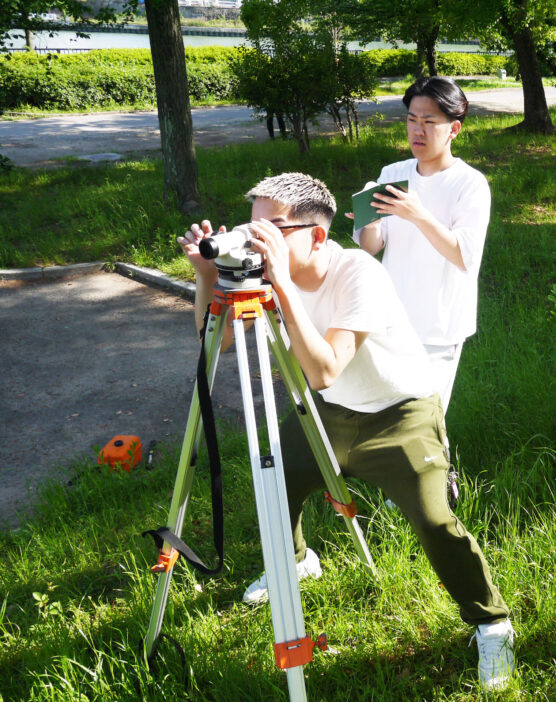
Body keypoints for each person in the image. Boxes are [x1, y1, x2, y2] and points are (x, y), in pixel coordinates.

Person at [176, 172, 515, 690]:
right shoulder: (266, 272)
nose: (257, 239)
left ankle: (492, 623)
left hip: (400, 413)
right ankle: (296, 561)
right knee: (276, 480)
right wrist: (206, 276)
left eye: (271, 229)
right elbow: (213, 345)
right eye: (253, 227)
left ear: (315, 235)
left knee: (432, 521)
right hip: (329, 411)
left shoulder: (358, 273)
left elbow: (325, 368)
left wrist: (282, 285)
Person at [351, 77, 490, 413]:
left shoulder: (469, 184)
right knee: (386, 414)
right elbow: (371, 247)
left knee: (424, 419)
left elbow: (463, 255)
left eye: (429, 122)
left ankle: (438, 468)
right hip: (389, 320)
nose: (418, 131)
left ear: (454, 129)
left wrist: (417, 214)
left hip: (438, 327)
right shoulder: (393, 173)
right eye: (412, 120)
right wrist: (367, 219)